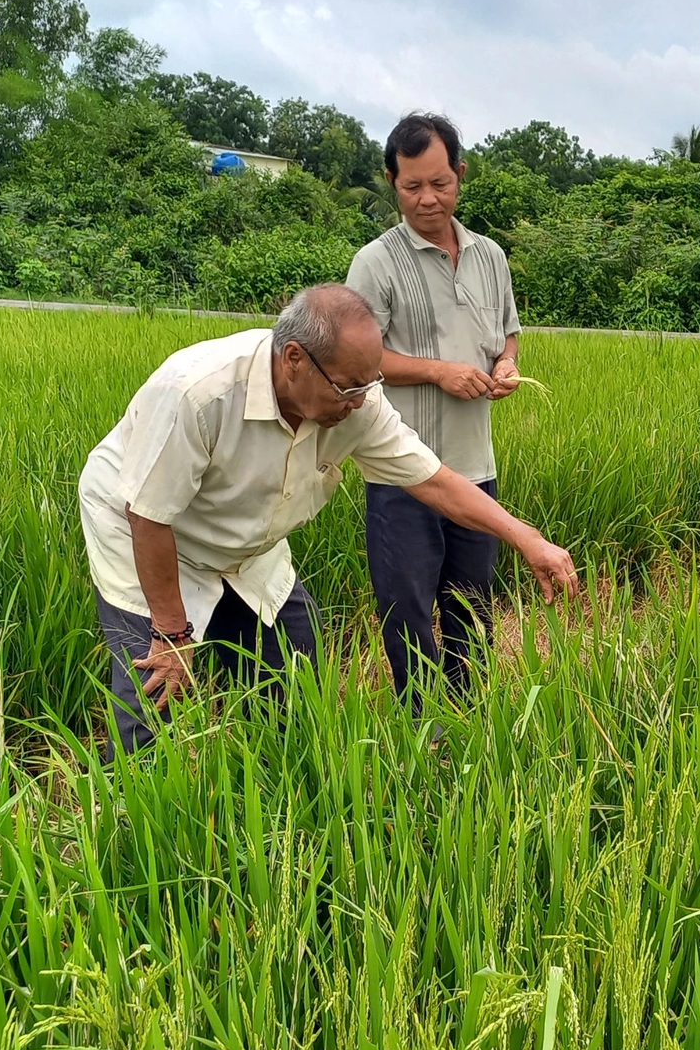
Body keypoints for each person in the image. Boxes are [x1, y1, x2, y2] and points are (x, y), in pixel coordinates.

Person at [77, 283, 577, 751]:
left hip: (248, 544)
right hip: (144, 532)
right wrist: (172, 633)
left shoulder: (355, 402)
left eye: (369, 383)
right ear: (294, 359)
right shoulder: (198, 392)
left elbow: (431, 480)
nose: (360, 400)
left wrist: (526, 537)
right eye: (348, 386)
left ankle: (280, 799)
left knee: (295, 675)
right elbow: (149, 515)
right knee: (152, 690)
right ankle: (127, 808)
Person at [347, 113, 523, 710]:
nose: (428, 199)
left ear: (460, 175)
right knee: (409, 613)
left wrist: (505, 368)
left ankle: (469, 726)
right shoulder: (375, 262)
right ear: (392, 184)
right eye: (412, 186)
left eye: (440, 183)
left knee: (472, 609)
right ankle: (422, 734)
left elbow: (508, 337)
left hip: (476, 469)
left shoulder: (490, 256)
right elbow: (358, 362)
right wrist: (437, 370)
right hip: (404, 475)